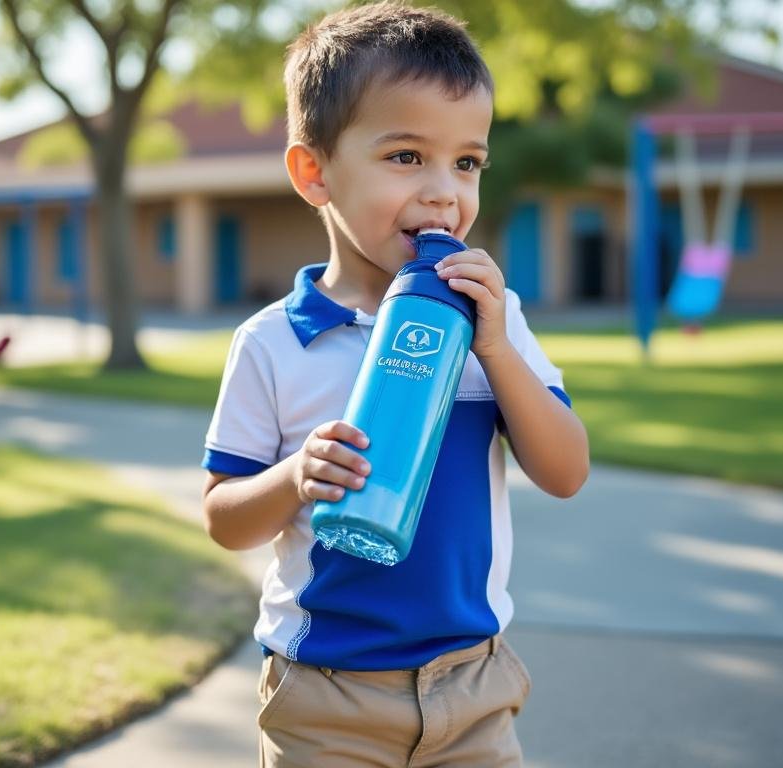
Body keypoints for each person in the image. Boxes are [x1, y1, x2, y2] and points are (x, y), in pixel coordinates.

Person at [201, 2, 590, 765]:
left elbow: (566, 472)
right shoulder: (275, 342)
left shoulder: (494, 320)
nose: (445, 193)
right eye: (407, 156)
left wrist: (498, 351)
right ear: (315, 172)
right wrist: (296, 476)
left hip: (472, 686)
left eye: (467, 162)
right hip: (325, 694)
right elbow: (225, 519)